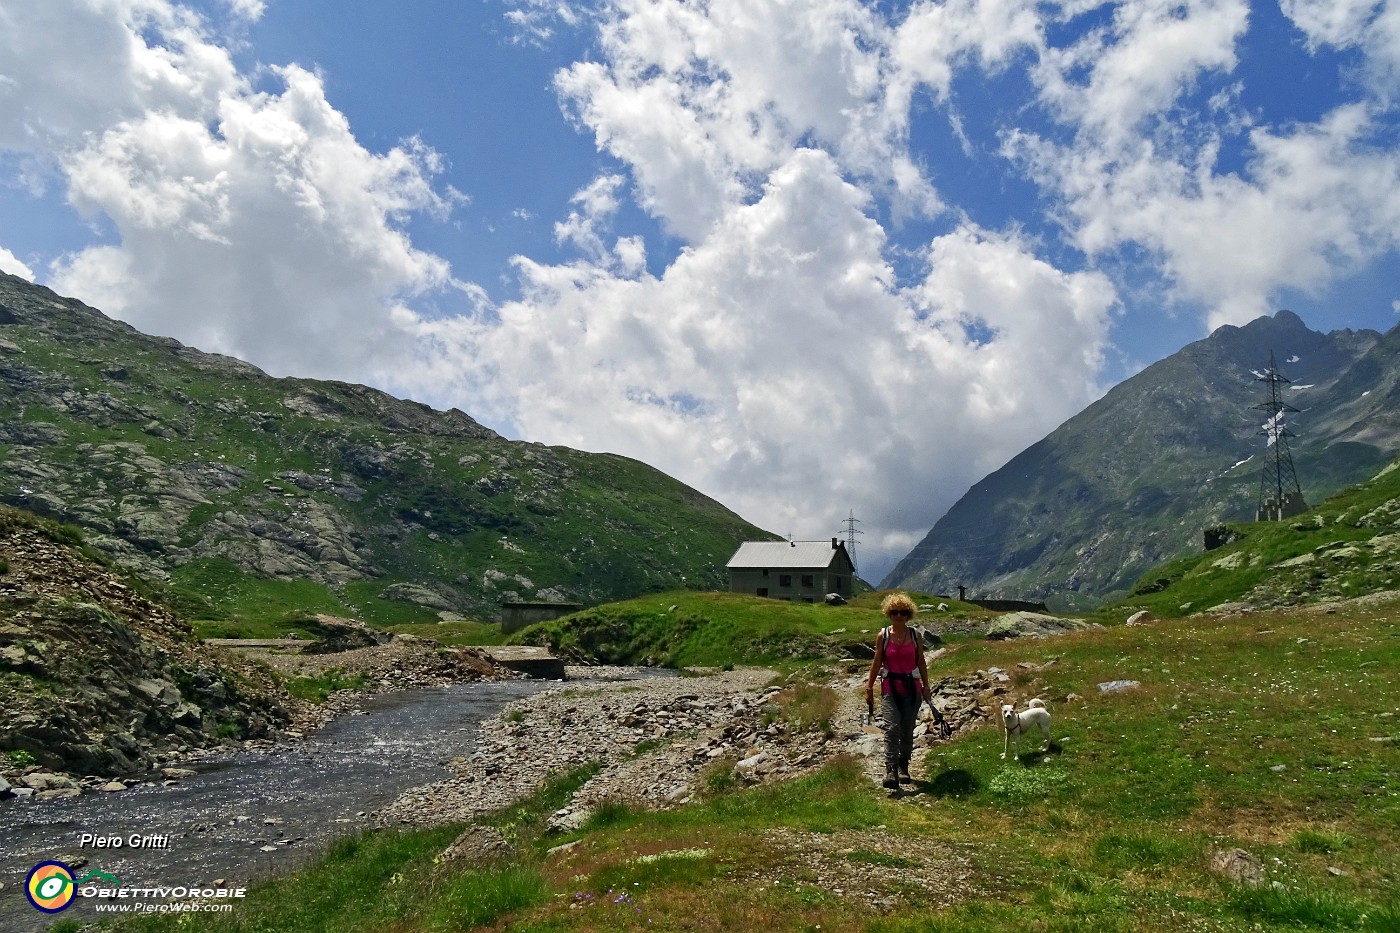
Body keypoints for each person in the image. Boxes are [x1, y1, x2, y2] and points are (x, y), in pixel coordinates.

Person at [865, 593, 933, 789]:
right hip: (889, 688)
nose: (899, 616)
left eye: (903, 612)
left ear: (908, 614)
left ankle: (904, 766)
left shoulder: (915, 636)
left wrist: (926, 686)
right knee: (891, 728)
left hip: (912, 690)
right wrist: (869, 687)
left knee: (907, 730)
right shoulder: (883, 636)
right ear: (889, 614)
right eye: (894, 612)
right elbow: (877, 662)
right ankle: (891, 770)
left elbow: (920, 661)